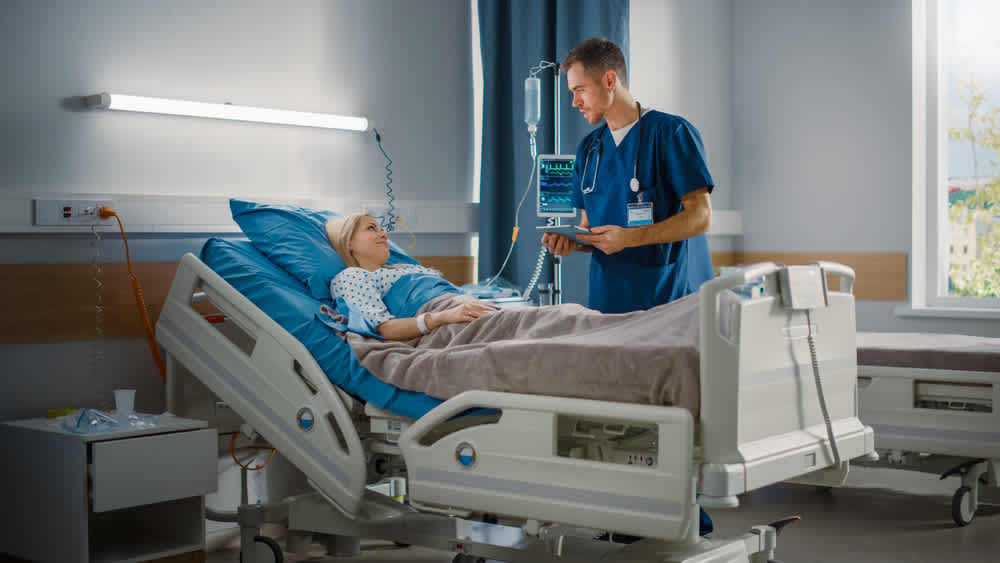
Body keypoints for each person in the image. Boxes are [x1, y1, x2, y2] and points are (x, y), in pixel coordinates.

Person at [541, 37, 716, 314]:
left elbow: (701, 217)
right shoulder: (589, 150)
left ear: (610, 81)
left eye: (580, 90)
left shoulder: (671, 133)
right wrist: (573, 241)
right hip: (608, 303)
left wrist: (629, 238)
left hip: (669, 301)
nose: (574, 102)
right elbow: (589, 227)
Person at [326, 213, 498, 341]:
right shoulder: (352, 276)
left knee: (518, 321)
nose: (384, 235)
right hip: (443, 318)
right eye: (371, 228)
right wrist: (442, 317)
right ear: (348, 242)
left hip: (467, 307)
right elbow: (383, 329)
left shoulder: (405, 268)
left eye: (382, 229)